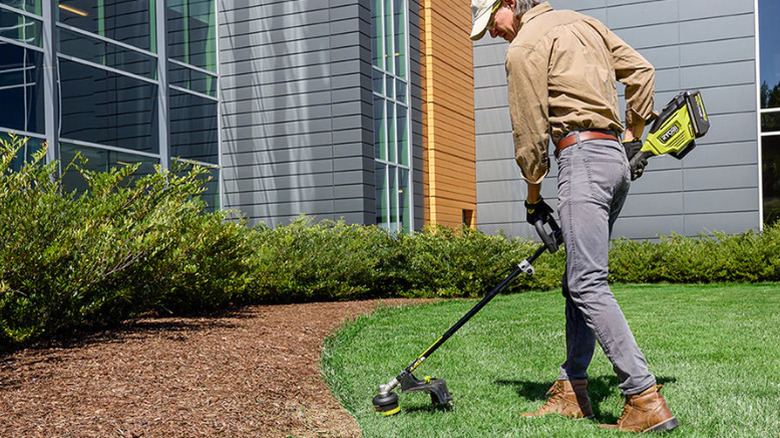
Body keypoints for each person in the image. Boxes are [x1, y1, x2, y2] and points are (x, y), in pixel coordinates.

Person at [470, 0, 678, 433]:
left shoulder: (525, 45)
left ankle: (644, 398)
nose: (492, 33)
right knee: (577, 280)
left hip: (581, 159)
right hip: (614, 162)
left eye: (491, 21)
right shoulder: (586, 23)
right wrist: (631, 138)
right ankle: (573, 390)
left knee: (586, 282)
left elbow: (530, 133)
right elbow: (643, 73)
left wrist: (533, 200)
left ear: (509, 3)